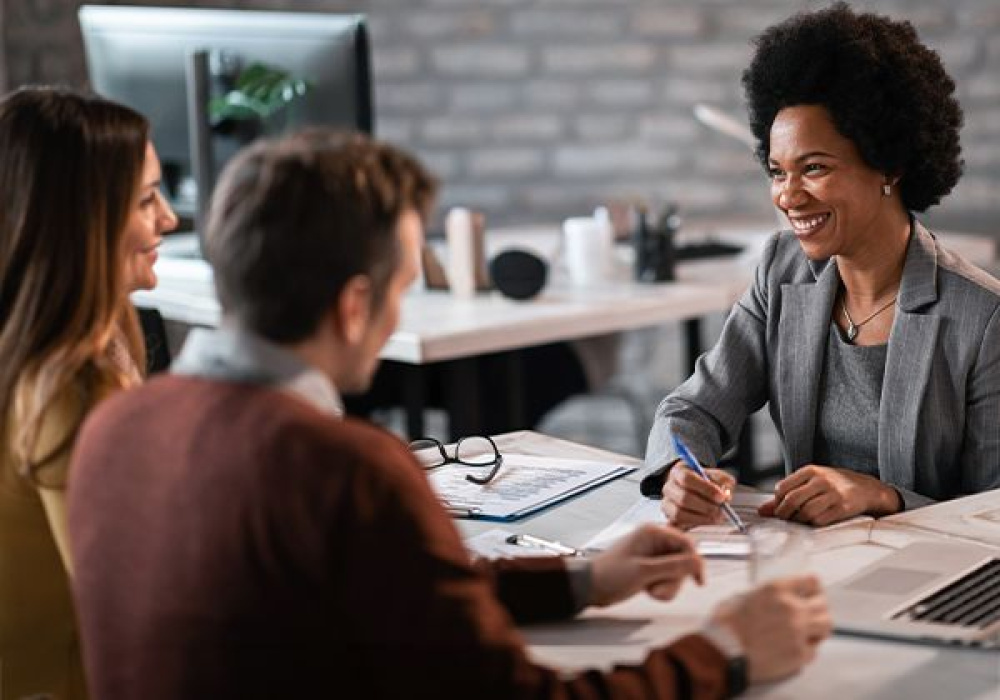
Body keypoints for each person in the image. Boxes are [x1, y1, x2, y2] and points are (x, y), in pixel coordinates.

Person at [69, 130, 829, 699]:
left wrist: (582, 581)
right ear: (354, 305)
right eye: (402, 283)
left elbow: (393, 595)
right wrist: (724, 651)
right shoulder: (345, 471)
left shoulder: (115, 427)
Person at [643, 2, 1000, 530]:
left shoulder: (984, 318)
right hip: (806, 561)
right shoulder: (781, 272)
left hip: (932, 578)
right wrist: (679, 470)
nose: (789, 196)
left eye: (813, 168)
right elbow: (694, 408)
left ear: (890, 165)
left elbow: (992, 510)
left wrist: (883, 497)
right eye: (777, 171)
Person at [0, 87, 177, 698]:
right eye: (148, 199)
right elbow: (138, 614)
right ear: (82, 221)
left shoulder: (32, 352)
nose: (170, 220)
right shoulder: (71, 384)